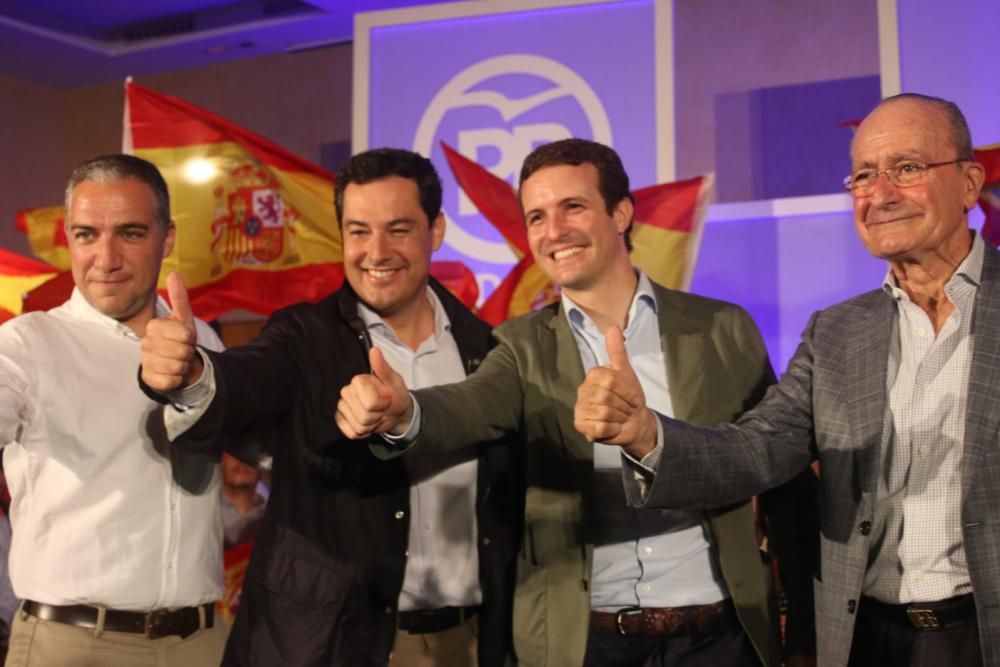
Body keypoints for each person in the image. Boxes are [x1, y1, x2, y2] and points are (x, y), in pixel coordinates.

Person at [337, 138, 818, 666]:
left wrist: (802, 641)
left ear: (620, 213)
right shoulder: (520, 345)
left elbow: (781, 480)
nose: (554, 231)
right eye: (537, 217)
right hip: (585, 643)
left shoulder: (722, 328)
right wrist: (406, 412)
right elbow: (469, 406)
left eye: (573, 207)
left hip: (718, 638)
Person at [574, 93, 997, 667]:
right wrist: (646, 434)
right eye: (864, 176)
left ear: (970, 184)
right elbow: (756, 449)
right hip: (864, 639)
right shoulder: (838, 332)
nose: (880, 194)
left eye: (908, 168)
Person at [139, 148, 521, 667]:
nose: (375, 251)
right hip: (334, 642)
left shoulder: (489, 349)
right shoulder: (302, 337)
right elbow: (247, 381)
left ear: (437, 231)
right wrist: (196, 373)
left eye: (399, 229)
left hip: (469, 643)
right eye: (358, 231)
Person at [0, 154, 227, 666]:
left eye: (128, 233)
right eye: (85, 235)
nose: (105, 258)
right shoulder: (26, 346)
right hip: (74, 646)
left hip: (201, 641)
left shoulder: (204, 339)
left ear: (166, 239)